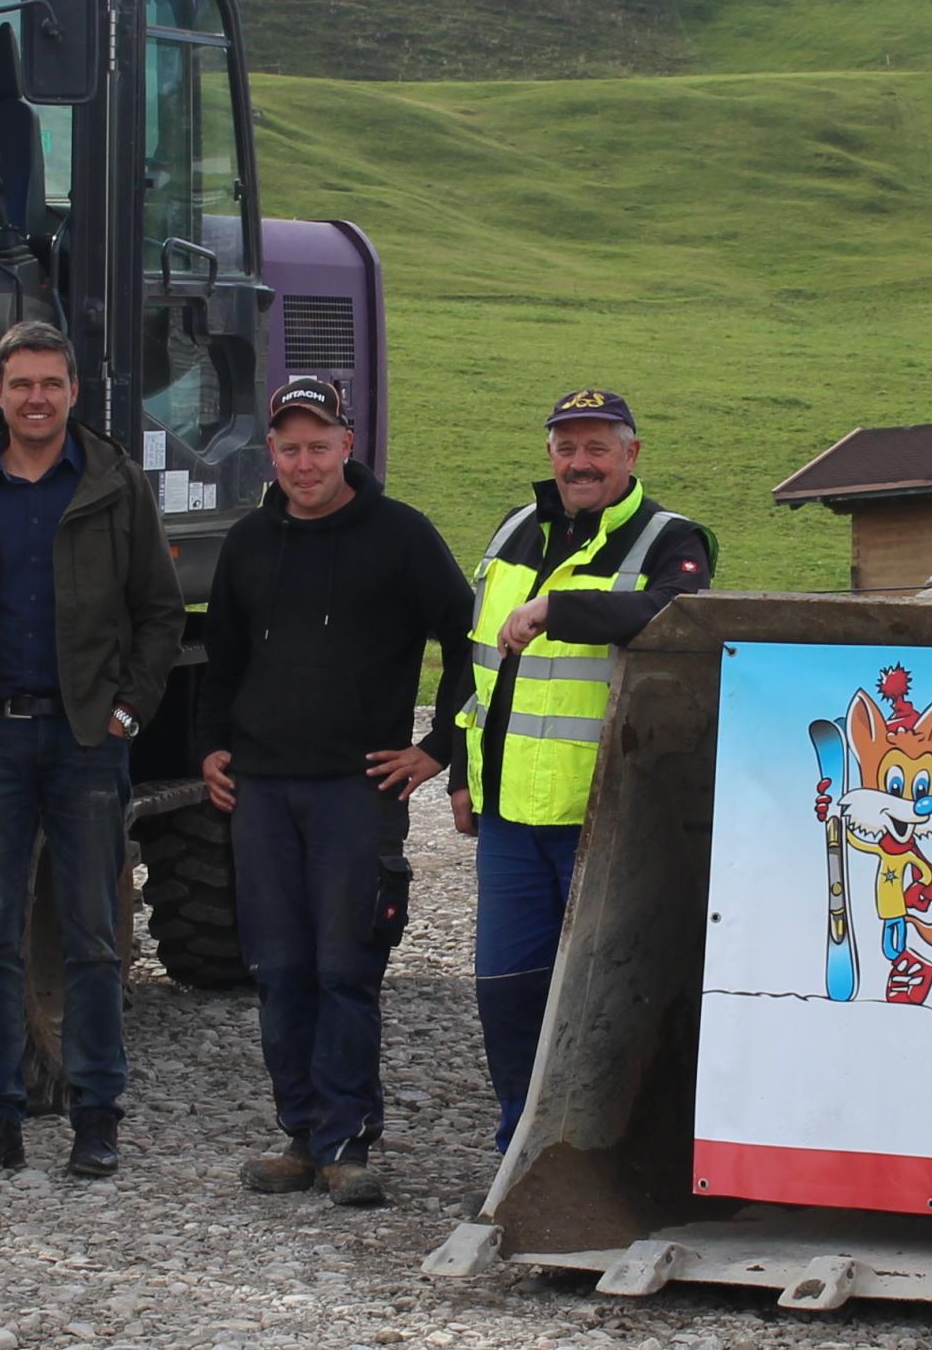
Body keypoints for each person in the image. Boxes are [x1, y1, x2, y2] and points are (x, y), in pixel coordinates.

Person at [0, 318, 180, 1183]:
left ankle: (97, 1115)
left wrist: (128, 712)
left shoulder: (113, 485)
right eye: (20, 384)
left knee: (92, 934)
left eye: (50, 384)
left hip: (84, 740)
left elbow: (159, 613)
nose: (36, 398)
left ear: (73, 392)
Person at [194, 373, 475, 1208]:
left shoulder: (401, 536)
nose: (305, 463)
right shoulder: (249, 542)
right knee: (278, 968)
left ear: (348, 446)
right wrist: (209, 746)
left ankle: (350, 1142)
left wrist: (438, 746)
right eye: (290, 448)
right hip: (262, 791)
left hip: (358, 789)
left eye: (319, 446)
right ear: (270, 453)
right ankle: (301, 1135)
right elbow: (220, 659)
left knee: (346, 966)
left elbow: (468, 639)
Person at [455, 387, 711, 1151]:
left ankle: (609, 1156)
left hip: (609, 816)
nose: (580, 463)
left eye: (598, 447)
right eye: (567, 448)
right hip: (510, 818)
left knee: (610, 994)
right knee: (506, 992)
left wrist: (557, 610)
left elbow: (677, 613)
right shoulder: (514, 530)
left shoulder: (670, 539)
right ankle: (520, 1151)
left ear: (632, 454)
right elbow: (475, 659)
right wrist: (464, 774)